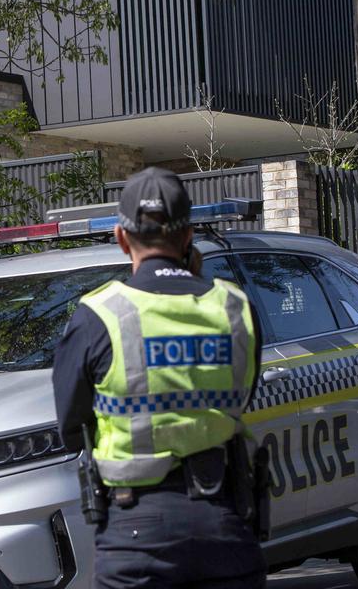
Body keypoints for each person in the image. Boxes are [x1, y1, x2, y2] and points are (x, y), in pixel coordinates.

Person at [53, 167, 266, 589]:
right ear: (188, 236)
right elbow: (242, 396)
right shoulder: (233, 307)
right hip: (224, 524)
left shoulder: (99, 316)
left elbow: (72, 426)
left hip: (136, 535)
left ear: (120, 237)